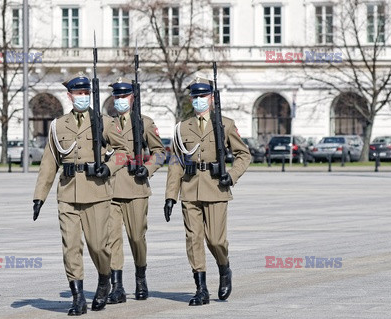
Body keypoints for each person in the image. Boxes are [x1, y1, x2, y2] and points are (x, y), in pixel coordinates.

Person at [32, 72, 129, 316]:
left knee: (98, 246)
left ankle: (105, 279)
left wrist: (108, 167)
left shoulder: (103, 122)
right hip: (67, 193)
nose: (82, 97)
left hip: (96, 192)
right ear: (69, 95)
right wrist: (39, 196)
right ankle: (77, 298)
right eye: (78, 93)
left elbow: (123, 150)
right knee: (71, 246)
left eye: (86, 93)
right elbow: (49, 162)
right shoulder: (58, 125)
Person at [163, 76, 251, 306]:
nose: (199, 100)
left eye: (203, 96)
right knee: (193, 239)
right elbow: (175, 162)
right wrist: (171, 196)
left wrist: (231, 176)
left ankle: (224, 268)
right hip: (190, 189)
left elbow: (244, 154)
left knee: (215, 240)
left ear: (211, 98)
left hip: (216, 187)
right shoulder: (182, 128)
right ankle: (200, 288)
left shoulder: (225, 124)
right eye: (195, 96)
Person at [106, 78, 166, 304]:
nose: (120, 100)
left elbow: (160, 153)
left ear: (132, 97)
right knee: (112, 239)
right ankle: (117, 287)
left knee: (136, 237)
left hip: (136, 187)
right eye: (117, 96)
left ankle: (140, 277)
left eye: (124, 96)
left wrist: (147, 168)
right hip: (111, 188)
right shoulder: (106, 124)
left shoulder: (144, 123)